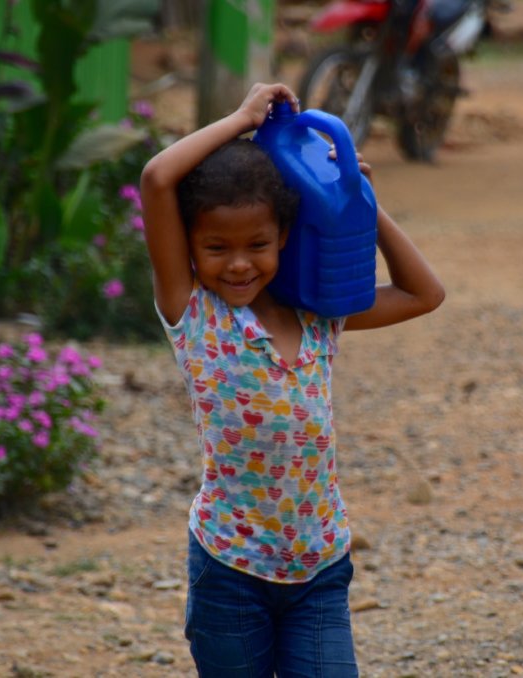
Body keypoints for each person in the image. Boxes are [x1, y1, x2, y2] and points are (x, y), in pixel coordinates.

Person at [140, 82, 445, 677]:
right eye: (215, 247)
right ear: (192, 250)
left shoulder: (318, 314)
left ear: (284, 235)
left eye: (257, 243)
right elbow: (156, 179)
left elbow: (423, 293)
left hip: (321, 568)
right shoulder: (195, 315)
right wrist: (239, 119)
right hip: (229, 572)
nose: (238, 263)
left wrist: (357, 198)